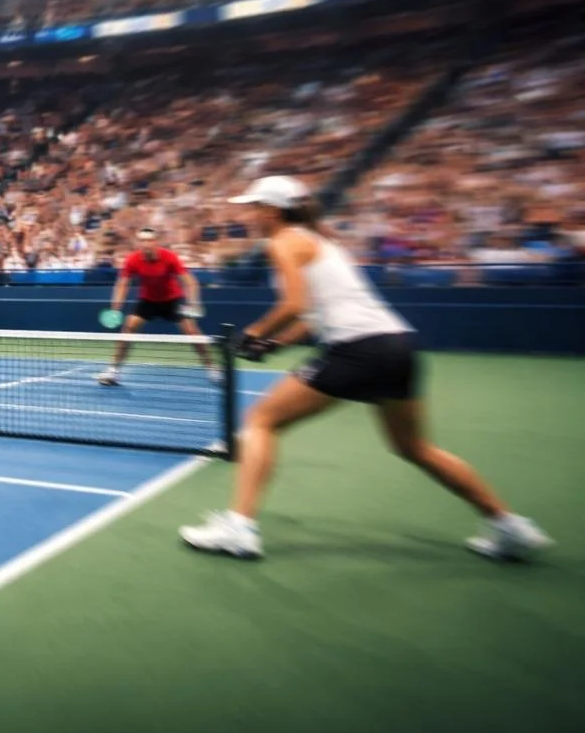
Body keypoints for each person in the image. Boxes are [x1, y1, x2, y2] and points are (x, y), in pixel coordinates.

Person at [179, 176, 552, 562]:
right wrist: (273, 344)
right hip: (397, 346)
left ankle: (239, 527)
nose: (250, 214)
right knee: (414, 447)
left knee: (261, 421)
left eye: (254, 206)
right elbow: (311, 315)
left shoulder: (283, 241)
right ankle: (509, 526)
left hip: (358, 350)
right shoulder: (321, 242)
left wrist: (249, 334)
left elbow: (293, 305)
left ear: (272, 211)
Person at [96, 227, 220, 386]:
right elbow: (122, 284)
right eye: (142, 240)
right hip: (148, 301)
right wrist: (115, 308)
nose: (145, 244)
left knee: (192, 332)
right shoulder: (132, 260)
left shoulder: (169, 257)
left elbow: (190, 281)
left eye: (149, 240)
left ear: (155, 242)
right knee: (128, 328)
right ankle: (113, 371)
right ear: (139, 243)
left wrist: (194, 303)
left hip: (172, 300)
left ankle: (212, 369)